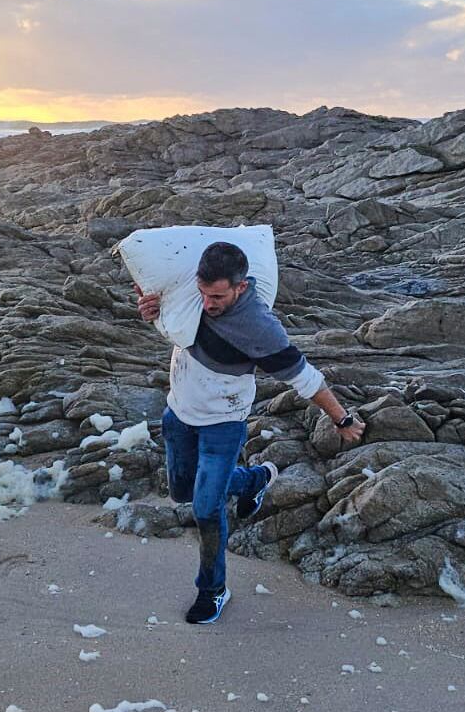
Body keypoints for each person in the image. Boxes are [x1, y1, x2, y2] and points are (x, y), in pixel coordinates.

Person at [134, 241, 365, 624]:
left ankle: (212, 590)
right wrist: (151, 312)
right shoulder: (189, 295)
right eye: (204, 293)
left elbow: (306, 379)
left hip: (223, 424)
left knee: (206, 510)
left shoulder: (258, 327)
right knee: (181, 491)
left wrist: (342, 420)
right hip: (178, 414)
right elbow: (168, 322)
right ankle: (254, 480)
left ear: (240, 288)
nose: (208, 304)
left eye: (218, 296)